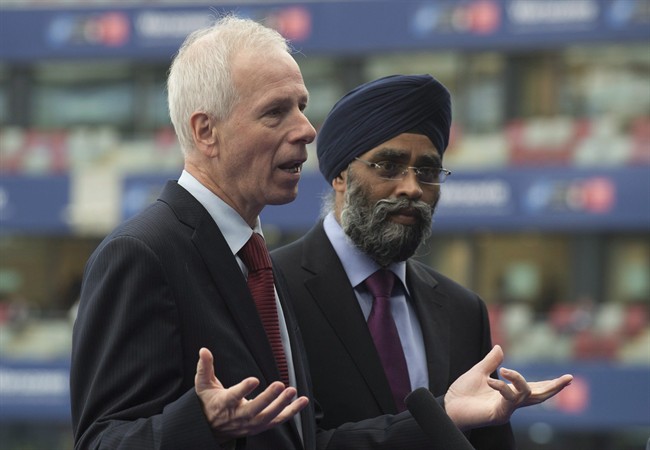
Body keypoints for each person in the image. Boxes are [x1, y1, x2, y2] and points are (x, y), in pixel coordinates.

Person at [71, 16, 571, 450]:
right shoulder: (142, 253)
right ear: (205, 132)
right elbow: (102, 440)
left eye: (302, 106)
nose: (307, 130)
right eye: (276, 112)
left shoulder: (253, 260)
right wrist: (202, 424)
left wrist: (442, 414)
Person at [271, 74, 572, 449]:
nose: (412, 188)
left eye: (427, 172)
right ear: (341, 176)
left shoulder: (462, 311)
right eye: (389, 166)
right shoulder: (272, 289)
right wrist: (439, 417)